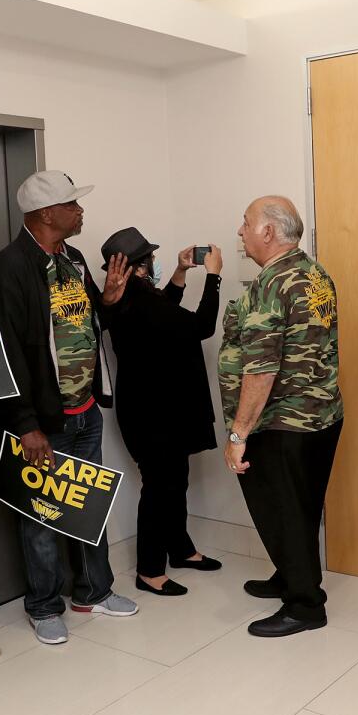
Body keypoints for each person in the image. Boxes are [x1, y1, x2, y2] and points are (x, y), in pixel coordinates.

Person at [0, 170, 138, 646]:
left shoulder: (73, 258)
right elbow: (0, 354)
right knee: (41, 515)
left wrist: (107, 301)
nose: (80, 211)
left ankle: (94, 590)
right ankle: (44, 605)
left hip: (83, 409)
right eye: (72, 205)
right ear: (47, 214)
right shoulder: (7, 270)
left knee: (89, 505)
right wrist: (25, 424)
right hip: (41, 421)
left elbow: (86, 322)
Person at [219, 196, 342, 637]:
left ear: (268, 232)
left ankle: (306, 605)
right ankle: (291, 576)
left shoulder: (272, 283)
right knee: (301, 509)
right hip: (320, 417)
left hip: (281, 424)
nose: (240, 231)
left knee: (282, 512)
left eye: (246, 222)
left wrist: (238, 434)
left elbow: (262, 368)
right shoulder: (313, 271)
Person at [101, 228, 224, 596]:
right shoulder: (140, 301)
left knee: (174, 480)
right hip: (153, 414)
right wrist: (214, 277)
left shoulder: (130, 296)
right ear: (139, 269)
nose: (154, 265)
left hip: (153, 407)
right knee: (160, 486)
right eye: (150, 260)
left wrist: (180, 273)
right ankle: (150, 570)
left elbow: (164, 313)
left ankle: (181, 549)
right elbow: (199, 325)